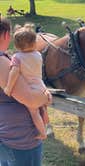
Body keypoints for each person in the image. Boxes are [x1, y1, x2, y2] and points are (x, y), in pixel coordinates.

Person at [0, 16, 51, 166]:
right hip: (19, 139)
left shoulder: (13, 57)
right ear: (6, 35)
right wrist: (47, 98)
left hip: (8, 134)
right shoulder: (2, 61)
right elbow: (32, 100)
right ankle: (43, 130)